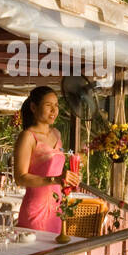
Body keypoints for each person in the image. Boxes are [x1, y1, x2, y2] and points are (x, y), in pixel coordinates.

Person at [12, 87, 79, 236]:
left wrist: (67, 179)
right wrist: (55, 179)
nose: (54, 110)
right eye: (48, 105)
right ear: (34, 107)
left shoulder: (57, 133)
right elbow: (20, 177)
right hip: (35, 210)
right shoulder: (27, 137)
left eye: (56, 105)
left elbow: (54, 169)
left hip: (57, 209)